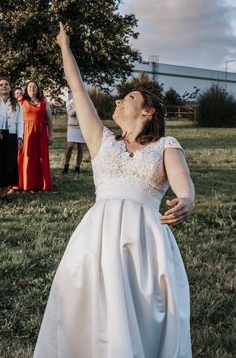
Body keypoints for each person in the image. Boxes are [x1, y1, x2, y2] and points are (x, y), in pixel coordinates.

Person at [34, 23, 195, 357]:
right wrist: (64, 45)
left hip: (144, 245)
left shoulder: (166, 145)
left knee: (139, 320)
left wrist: (186, 199)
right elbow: (76, 87)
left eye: (131, 98)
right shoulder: (102, 141)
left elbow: (182, 182)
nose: (120, 100)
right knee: (90, 318)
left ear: (148, 111)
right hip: (96, 240)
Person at [0, 77, 23, 199]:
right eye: (1, 85)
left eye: (6, 84)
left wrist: (20, 138)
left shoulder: (16, 103)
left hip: (11, 136)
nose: (4, 86)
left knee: (8, 164)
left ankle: (3, 193)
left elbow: (20, 122)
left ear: (10, 87)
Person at [18, 81, 53, 191]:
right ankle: (25, 183)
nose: (32, 88)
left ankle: (39, 184)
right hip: (26, 133)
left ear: (37, 89)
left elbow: (49, 119)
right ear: (26, 89)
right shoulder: (21, 101)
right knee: (26, 158)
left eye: (34, 86)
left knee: (40, 158)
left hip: (40, 133)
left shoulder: (43, 102)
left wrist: (50, 134)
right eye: (30, 86)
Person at [62, 94, 85, 176]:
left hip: (82, 127)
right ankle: (66, 166)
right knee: (70, 146)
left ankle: (77, 168)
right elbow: (70, 113)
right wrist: (77, 106)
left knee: (81, 148)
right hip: (72, 127)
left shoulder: (84, 102)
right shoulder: (69, 103)